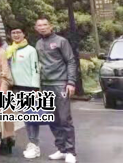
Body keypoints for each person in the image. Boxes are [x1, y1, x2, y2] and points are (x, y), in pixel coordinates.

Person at [35, 17, 77, 163]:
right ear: (36, 28)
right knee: (52, 119)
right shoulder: (38, 44)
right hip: (45, 85)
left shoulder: (61, 41)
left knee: (64, 118)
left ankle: (70, 151)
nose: (42, 27)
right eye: (39, 25)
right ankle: (61, 149)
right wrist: (38, 86)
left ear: (51, 26)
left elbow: (71, 61)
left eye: (45, 24)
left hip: (60, 83)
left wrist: (71, 82)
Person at [7, 24, 41, 159]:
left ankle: (34, 144)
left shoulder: (31, 50)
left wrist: (35, 89)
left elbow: (35, 69)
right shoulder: (9, 50)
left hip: (28, 89)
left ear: (24, 34)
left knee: (31, 117)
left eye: (18, 32)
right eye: (13, 32)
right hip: (13, 88)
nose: (16, 35)